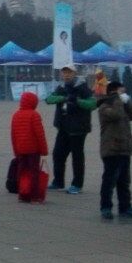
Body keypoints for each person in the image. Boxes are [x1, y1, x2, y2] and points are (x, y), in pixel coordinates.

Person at [97, 82, 132, 221]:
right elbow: (116, 115)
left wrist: (127, 101)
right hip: (111, 149)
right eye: (121, 91)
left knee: (124, 181)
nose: (123, 94)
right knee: (109, 180)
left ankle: (125, 207)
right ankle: (106, 207)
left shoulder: (121, 104)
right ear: (113, 92)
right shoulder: (104, 107)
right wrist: (118, 100)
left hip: (124, 148)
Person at [45, 65, 96, 194]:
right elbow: (48, 99)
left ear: (75, 73)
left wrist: (78, 101)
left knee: (77, 157)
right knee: (58, 154)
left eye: (69, 72)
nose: (66, 75)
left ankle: (77, 184)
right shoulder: (61, 87)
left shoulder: (83, 88)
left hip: (78, 129)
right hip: (63, 127)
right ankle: (58, 182)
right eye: (64, 72)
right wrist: (62, 98)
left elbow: (92, 104)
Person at [10, 91, 49, 203]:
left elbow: (13, 135)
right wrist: (44, 150)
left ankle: (22, 195)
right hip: (33, 150)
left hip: (21, 149)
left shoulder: (16, 115)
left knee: (22, 172)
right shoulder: (34, 115)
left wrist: (15, 150)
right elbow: (40, 134)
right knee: (34, 173)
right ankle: (34, 196)